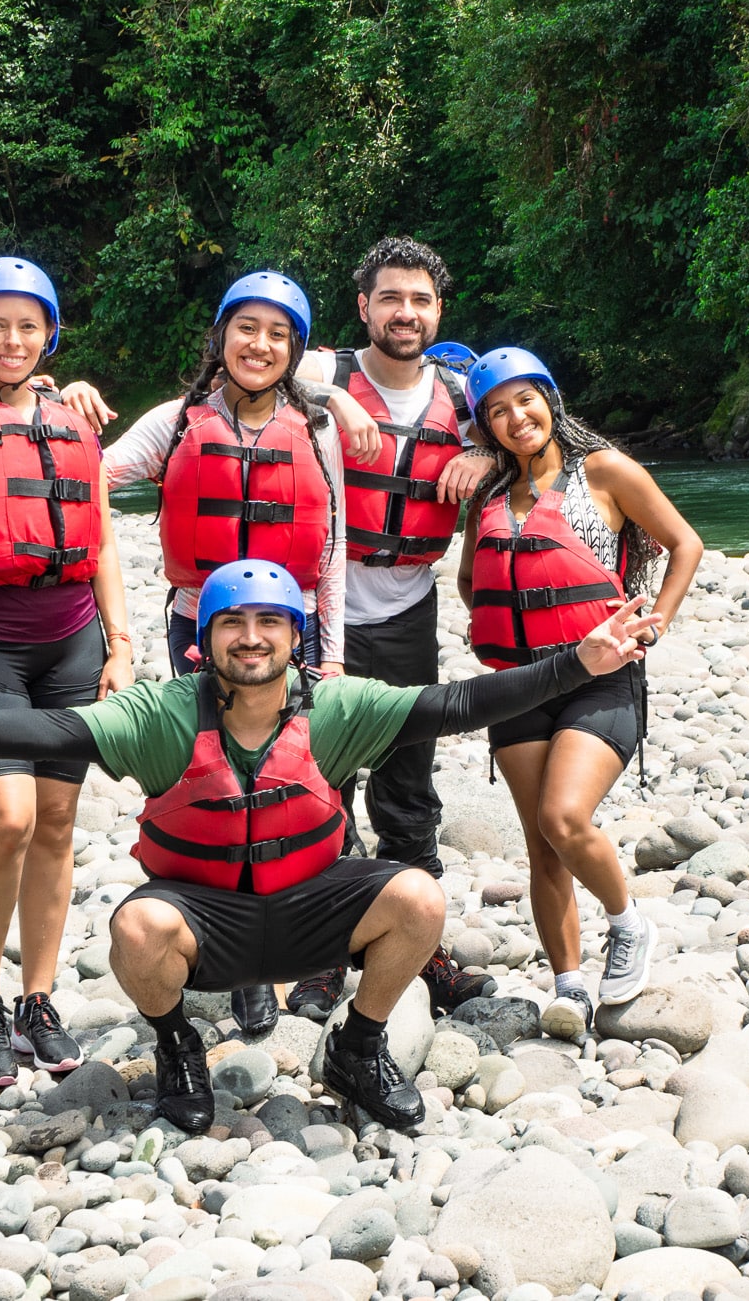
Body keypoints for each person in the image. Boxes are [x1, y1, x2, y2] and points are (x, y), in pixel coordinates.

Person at [0, 565, 662, 1131]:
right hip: (207, 925)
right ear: (205, 639)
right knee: (134, 930)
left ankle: (357, 1050)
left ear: (295, 636)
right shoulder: (163, 714)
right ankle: (178, 1047)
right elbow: (53, 726)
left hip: (310, 920)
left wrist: (573, 665)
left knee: (418, 897)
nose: (253, 637)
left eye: (271, 622)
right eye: (234, 622)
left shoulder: (335, 708)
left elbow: (457, 702)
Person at [94, 271, 346, 1039]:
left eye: (278, 334)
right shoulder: (177, 422)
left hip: (291, 634)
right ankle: (245, 975)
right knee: (226, 796)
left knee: (310, 788)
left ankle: (320, 954)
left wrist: (332, 654)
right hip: (199, 631)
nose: (260, 345)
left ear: (295, 351)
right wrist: (60, 397)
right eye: (247, 329)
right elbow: (87, 473)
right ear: (222, 336)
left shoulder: (320, 430)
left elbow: (333, 547)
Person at [0, 257, 135, 1086]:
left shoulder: (74, 417)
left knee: (54, 822)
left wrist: (120, 642)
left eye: (28, 325)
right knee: (4, 819)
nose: (12, 339)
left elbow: (103, 535)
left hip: (71, 640)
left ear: (49, 334)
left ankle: (40, 998)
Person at [456, 347, 703, 1038]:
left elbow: (684, 542)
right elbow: (471, 580)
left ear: (550, 399)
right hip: (519, 681)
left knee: (564, 817)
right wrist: (488, 626)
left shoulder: (605, 471)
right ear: (487, 425)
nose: (516, 417)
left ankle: (628, 925)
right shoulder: (488, 496)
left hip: (600, 674)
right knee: (540, 845)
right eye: (497, 411)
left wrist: (657, 620)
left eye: (525, 400)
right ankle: (570, 987)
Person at [282, 237, 495, 1022]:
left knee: (409, 790)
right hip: (317, 612)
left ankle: (423, 948)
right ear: (364, 307)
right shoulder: (320, 374)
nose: (406, 313)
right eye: (390, 298)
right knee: (317, 786)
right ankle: (318, 954)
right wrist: (337, 399)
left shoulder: (465, 395)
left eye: (421, 301)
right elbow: (255, 364)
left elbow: (536, 424)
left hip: (409, 610)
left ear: (439, 313)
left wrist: (481, 447)